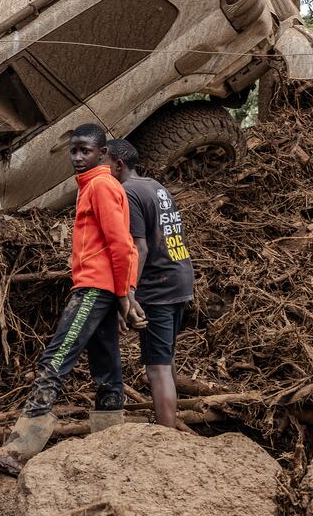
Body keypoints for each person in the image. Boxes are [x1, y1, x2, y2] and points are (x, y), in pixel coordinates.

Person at [0, 123, 139, 462]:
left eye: (85, 151)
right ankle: (110, 441)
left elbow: (121, 244)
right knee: (106, 365)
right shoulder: (93, 185)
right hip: (102, 286)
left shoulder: (101, 186)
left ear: (102, 153)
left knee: (56, 358)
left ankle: (21, 448)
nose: (77, 157)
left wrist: (124, 294)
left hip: (95, 287)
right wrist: (124, 292)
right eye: (73, 150)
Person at [105, 139, 195, 432]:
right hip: (179, 275)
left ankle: (166, 438)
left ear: (118, 165)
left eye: (104, 163)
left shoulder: (127, 191)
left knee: (156, 367)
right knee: (165, 359)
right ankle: (171, 421)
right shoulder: (155, 185)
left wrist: (128, 294)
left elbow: (139, 248)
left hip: (159, 284)